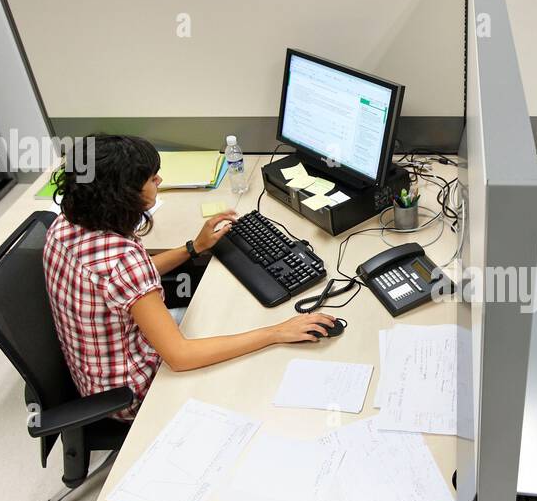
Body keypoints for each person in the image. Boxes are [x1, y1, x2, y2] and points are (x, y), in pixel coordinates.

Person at [43, 134, 334, 420]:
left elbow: (120, 282)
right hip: (132, 395)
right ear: (122, 194)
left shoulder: (66, 224)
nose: (158, 180)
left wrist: (195, 248)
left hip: (93, 376)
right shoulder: (122, 260)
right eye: (150, 177)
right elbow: (180, 357)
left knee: (227, 316)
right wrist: (276, 332)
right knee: (260, 372)